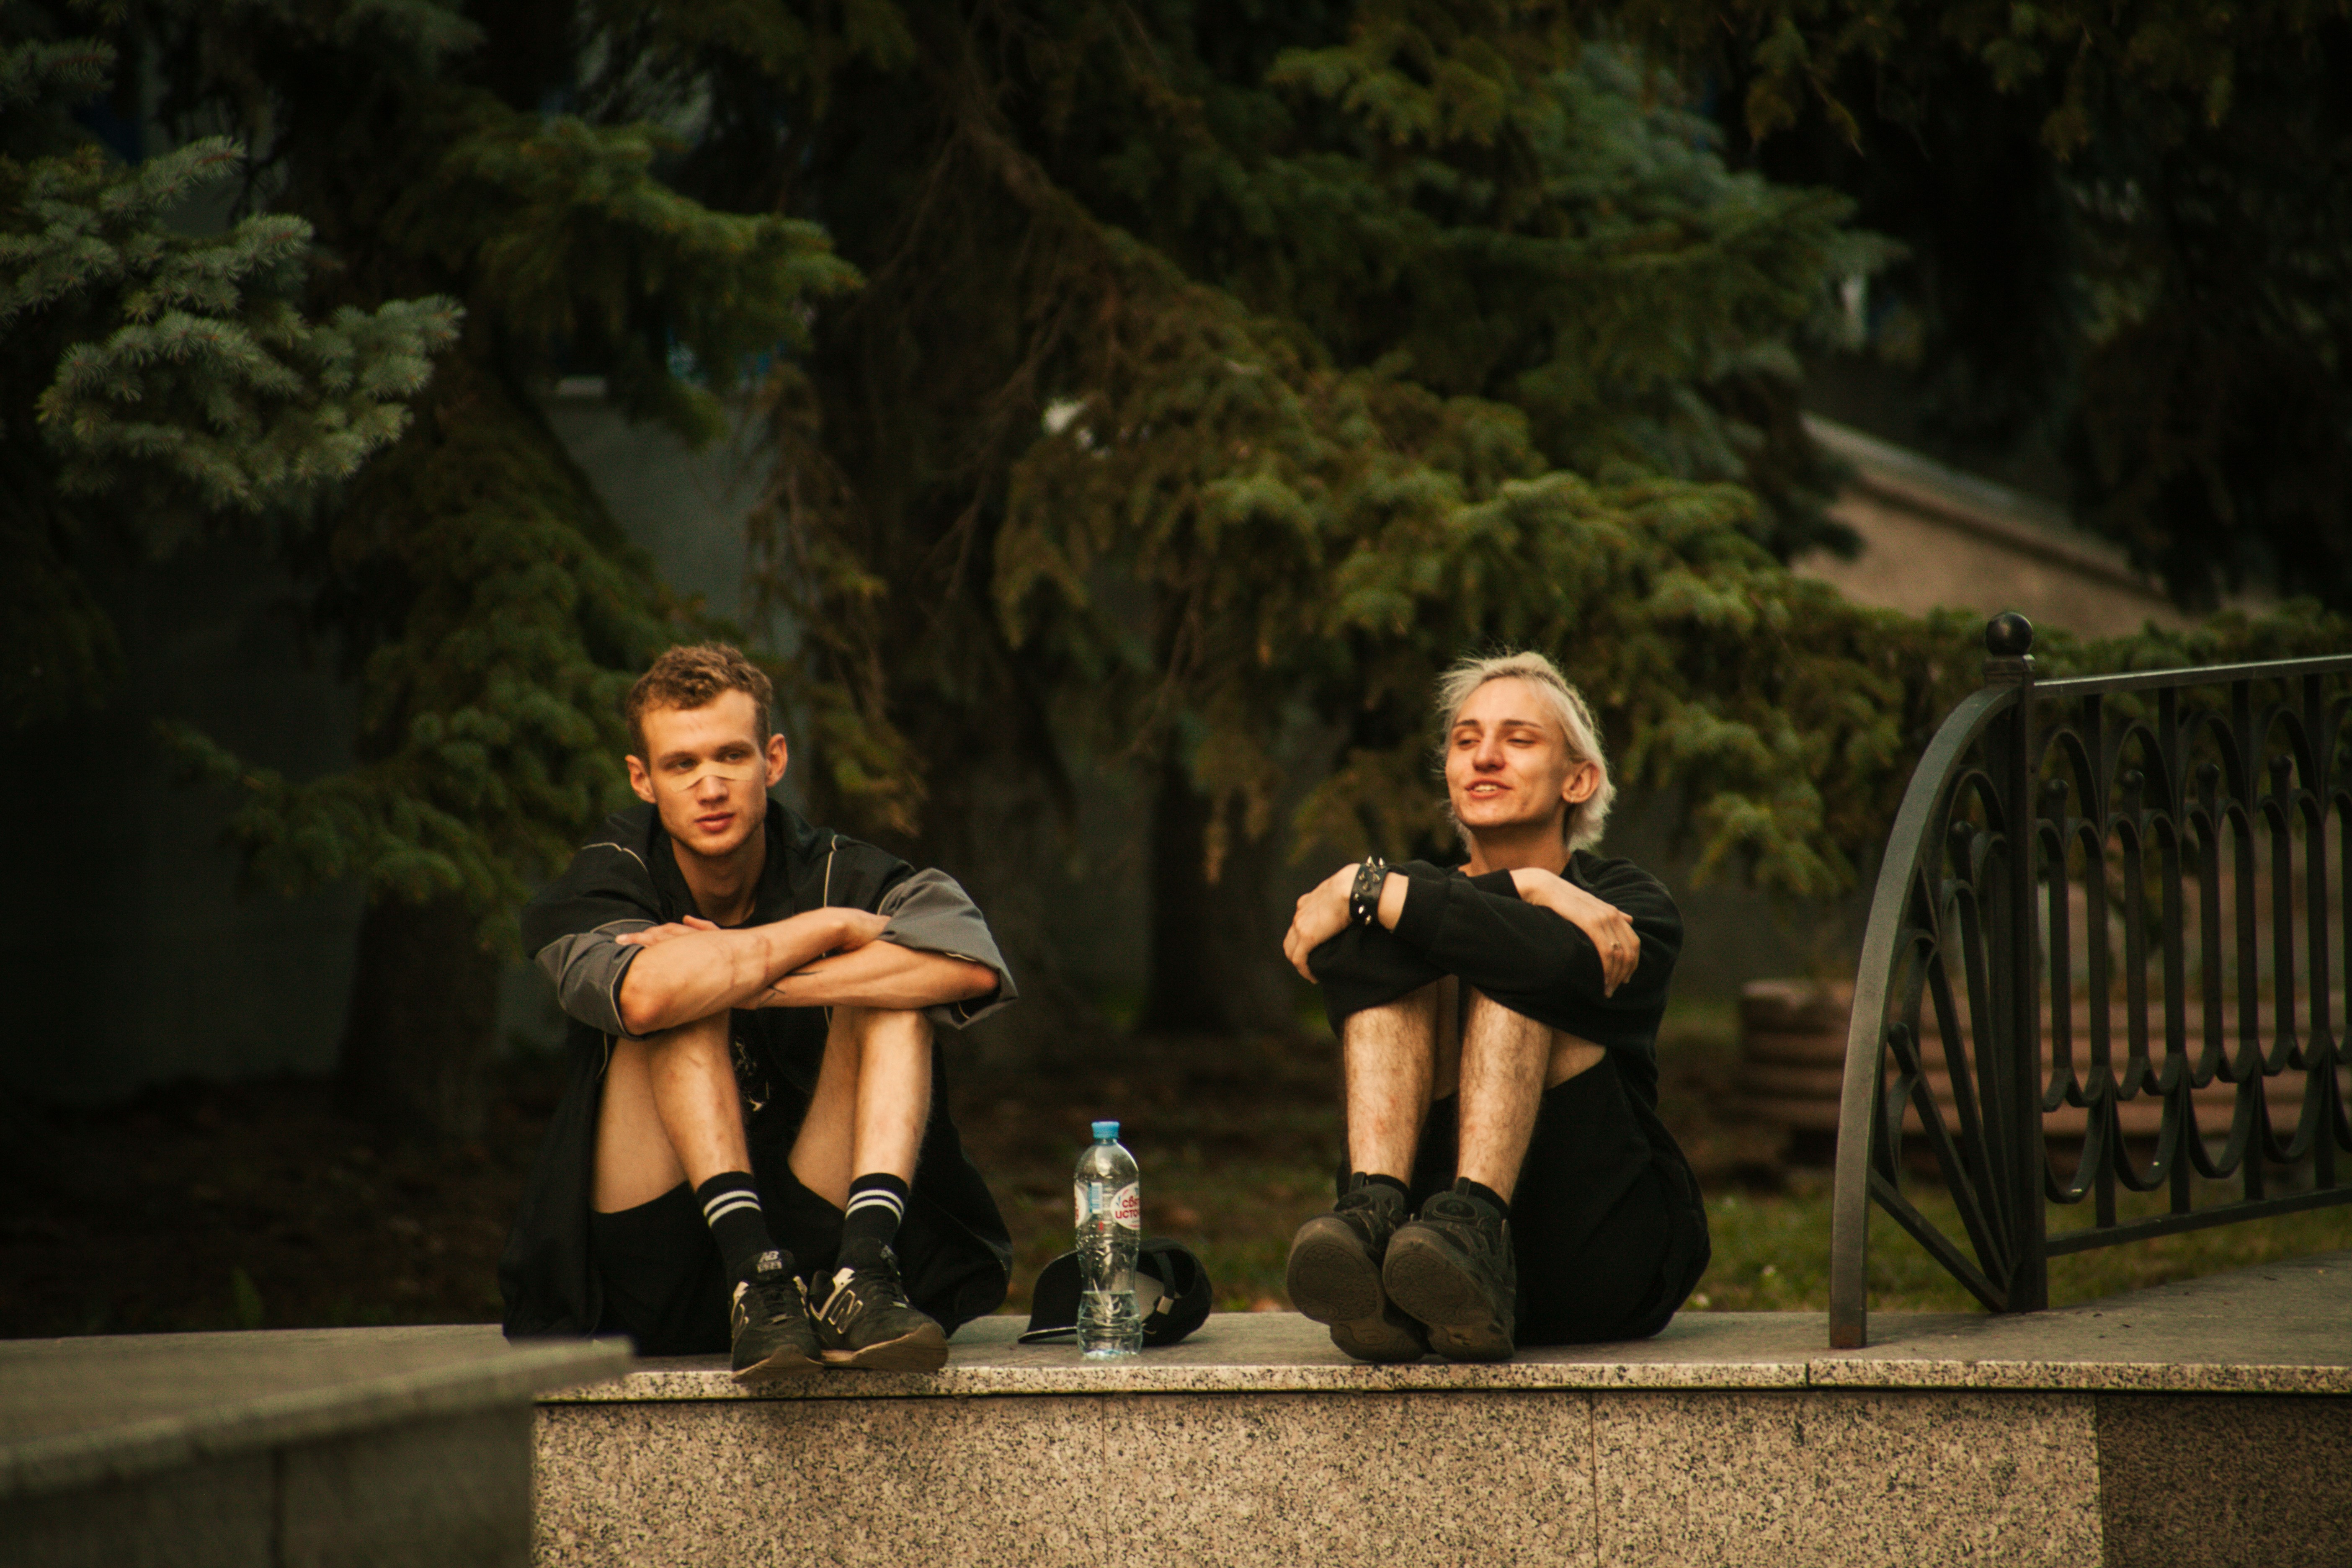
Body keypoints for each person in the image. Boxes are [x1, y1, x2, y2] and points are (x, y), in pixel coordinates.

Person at [500, 644, 1017, 1382]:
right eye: (682, 765)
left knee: (892, 1002)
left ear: (772, 761)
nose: (710, 785)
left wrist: (755, 976)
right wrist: (829, 932)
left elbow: (967, 966)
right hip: (660, 1257)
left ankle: (866, 1274)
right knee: (677, 994)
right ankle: (753, 1274)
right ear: (643, 780)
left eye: (731, 757)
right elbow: (645, 996)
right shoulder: (613, 872)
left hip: (816, 1244)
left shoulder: (839, 867)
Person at [1280, 650, 1709, 1362]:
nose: (1485, 757)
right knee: (1420, 966)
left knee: (1519, 964)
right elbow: (1343, 965)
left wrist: (1368, 887)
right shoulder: (1409, 895)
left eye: (1519, 739)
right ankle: (1372, 1216)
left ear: (1579, 779)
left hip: (1594, 1253)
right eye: (1465, 739)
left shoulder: (1630, 907)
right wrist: (1535, 890)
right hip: (1410, 1274)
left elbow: (1547, 964)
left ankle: (1473, 1228)